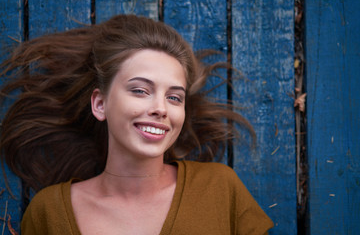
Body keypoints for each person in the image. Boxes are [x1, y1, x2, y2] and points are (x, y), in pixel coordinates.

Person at [0, 14, 273, 234]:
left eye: (174, 97)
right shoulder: (49, 212)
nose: (160, 109)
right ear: (100, 104)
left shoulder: (220, 189)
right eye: (140, 90)